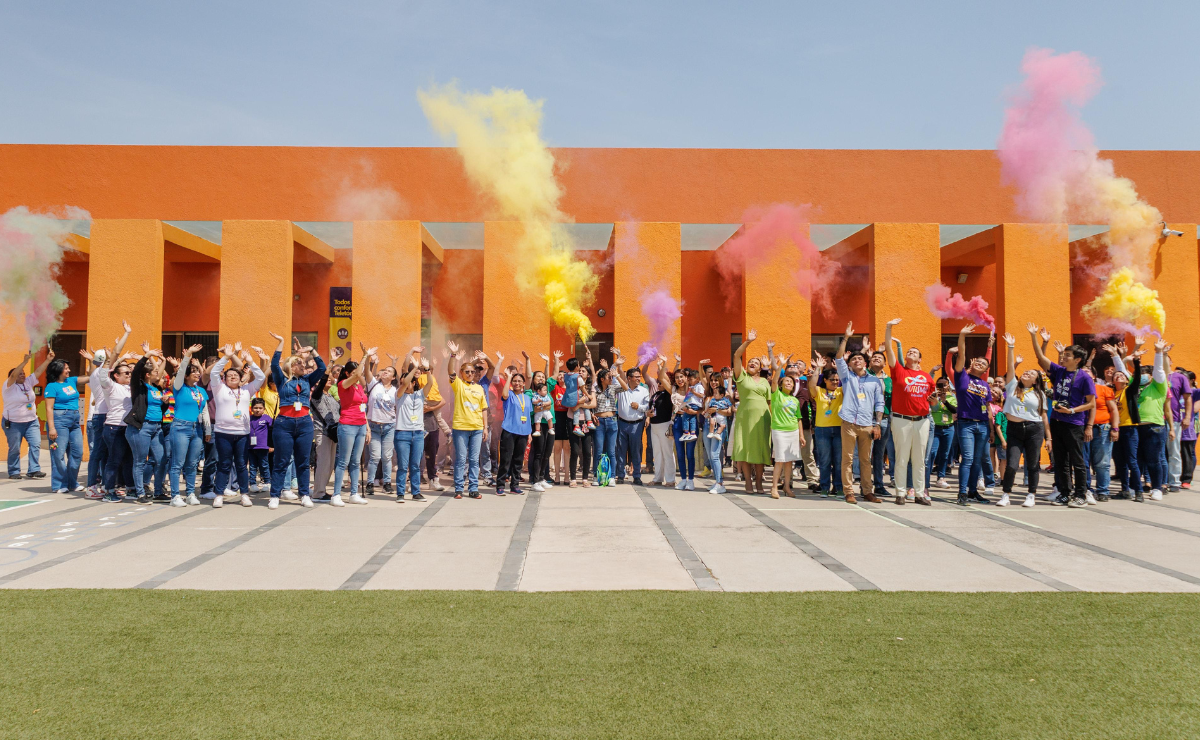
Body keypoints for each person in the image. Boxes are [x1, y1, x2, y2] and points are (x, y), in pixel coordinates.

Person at [1029, 324, 1096, 508]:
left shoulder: (1084, 377)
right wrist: (1034, 337)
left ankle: (1081, 494)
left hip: (1074, 422)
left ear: (1078, 359)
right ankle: (1065, 493)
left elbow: (1092, 403)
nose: (1064, 357)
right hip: (1057, 421)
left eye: (1068, 355)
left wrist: (1072, 410)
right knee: (1060, 460)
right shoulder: (1059, 372)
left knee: (1077, 460)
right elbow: (1040, 358)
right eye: (1064, 354)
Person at [883, 318, 934, 506]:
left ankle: (919, 493)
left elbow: (932, 399)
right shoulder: (899, 371)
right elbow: (888, 348)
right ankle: (901, 493)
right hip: (901, 420)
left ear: (920, 359)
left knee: (920, 459)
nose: (911, 352)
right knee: (902, 457)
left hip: (922, 420)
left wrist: (935, 401)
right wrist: (889, 328)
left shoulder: (927, 377)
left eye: (915, 352)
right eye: (909, 351)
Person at [209, 343, 266, 508]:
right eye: (229, 375)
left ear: (241, 378)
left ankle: (244, 494)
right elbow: (213, 373)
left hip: (242, 433)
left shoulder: (247, 390)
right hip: (223, 432)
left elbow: (261, 378)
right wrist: (226, 357)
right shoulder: (219, 388)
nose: (232, 376)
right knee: (224, 464)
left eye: (235, 374)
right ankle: (219, 494)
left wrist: (250, 361)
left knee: (241, 464)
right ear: (224, 378)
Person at [834, 322, 885, 504]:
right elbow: (839, 358)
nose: (857, 361)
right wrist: (846, 338)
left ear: (866, 362)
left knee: (865, 460)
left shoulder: (874, 381)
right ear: (850, 364)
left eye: (860, 359)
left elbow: (880, 403)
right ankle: (849, 492)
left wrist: (877, 424)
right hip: (848, 421)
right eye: (853, 360)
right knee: (847, 459)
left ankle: (867, 491)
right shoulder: (847, 377)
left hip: (867, 424)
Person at [998, 334, 1050, 508]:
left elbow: (1043, 417)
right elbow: (1009, 368)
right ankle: (1006, 494)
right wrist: (1011, 347)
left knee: (1033, 464)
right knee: (1012, 464)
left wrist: (1048, 438)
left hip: (1035, 429)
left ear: (1036, 380)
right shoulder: (1012, 386)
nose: (1027, 373)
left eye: (1032, 373)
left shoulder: (1039, 394)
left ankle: (1031, 494)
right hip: (1014, 429)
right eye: (1026, 372)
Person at [124, 348, 168, 504]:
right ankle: (140, 494)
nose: (159, 373)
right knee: (140, 461)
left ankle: (158, 492)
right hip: (141, 427)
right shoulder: (139, 387)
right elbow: (136, 372)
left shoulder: (156, 388)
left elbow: (159, 408)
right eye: (155, 371)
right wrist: (146, 356)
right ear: (148, 375)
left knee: (162, 459)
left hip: (156, 428)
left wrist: (165, 403)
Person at [168, 344, 210, 506]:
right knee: (177, 463)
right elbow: (179, 374)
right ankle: (175, 496)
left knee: (192, 464)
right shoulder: (179, 387)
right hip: (180, 427)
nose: (197, 374)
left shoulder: (200, 391)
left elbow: (204, 410)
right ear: (186, 376)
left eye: (197, 372)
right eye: (193, 372)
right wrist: (188, 357)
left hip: (197, 428)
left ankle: (191, 493)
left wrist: (207, 430)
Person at [332, 345, 374, 506]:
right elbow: (358, 373)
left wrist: (367, 427)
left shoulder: (358, 387)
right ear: (349, 373)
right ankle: (336, 495)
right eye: (356, 372)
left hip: (361, 425)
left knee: (356, 461)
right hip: (347, 425)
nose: (359, 375)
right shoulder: (343, 384)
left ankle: (354, 493)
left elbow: (362, 407)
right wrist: (364, 356)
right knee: (344, 460)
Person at [3, 347, 54, 481]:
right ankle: (14, 471)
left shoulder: (27, 383)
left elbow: (38, 371)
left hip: (31, 421)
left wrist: (48, 360)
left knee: (35, 444)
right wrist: (25, 361)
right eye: (20, 373)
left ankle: (34, 470)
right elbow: (14, 375)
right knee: (15, 448)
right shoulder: (8, 386)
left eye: (23, 373)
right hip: (13, 422)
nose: (23, 375)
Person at [731, 330, 771, 493]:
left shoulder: (764, 381)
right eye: (750, 362)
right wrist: (748, 341)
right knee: (746, 449)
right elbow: (736, 356)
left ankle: (759, 483)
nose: (752, 363)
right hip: (745, 418)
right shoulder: (742, 377)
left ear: (761, 368)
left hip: (762, 419)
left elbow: (769, 402)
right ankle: (748, 482)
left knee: (760, 450)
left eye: (756, 362)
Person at [43, 354, 89, 493]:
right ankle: (59, 485)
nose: (69, 371)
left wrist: (91, 361)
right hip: (59, 419)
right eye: (66, 368)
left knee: (77, 452)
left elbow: (90, 378)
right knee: (58, 453)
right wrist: (51, 428)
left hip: (74, 419)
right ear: (58, 370)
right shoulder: (52, 386)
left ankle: (72, 482)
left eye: (68, 368)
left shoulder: (72, 381)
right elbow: (49, 408)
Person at [447, 341, 487, 499]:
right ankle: (458, 489)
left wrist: (485, 428)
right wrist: (453, 355)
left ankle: (473, 488)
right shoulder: (458, 385)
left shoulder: (479, 388)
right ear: (462, 373)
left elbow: (484, 408)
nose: (470, 374)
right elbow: (450, 371)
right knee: (461, 459)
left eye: (472, 371)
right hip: (461, 427)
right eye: (467, 372)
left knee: (474, 460)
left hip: (477, 428)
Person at [98, 352, 136, 502]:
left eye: (130, 372)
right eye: (126, 373)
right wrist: (110, 359)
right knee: (114, 460)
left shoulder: (130, 388)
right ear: (116, 376)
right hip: (114, 428)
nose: (129, 375)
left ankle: (131, 489)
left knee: (128, 460)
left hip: (128, 428)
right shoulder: (111, 387)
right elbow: (102, 376)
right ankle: (108, 491)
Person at [767, 344, 803, 499]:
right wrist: (781, 364)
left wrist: (801, 435)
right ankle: (774, 487)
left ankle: (787, 487)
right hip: (779, 430)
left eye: (791, 382)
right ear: (781, 384)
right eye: (786, 381)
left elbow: (798, 418)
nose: (789, 383)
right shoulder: (777, 395)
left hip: (793, 431)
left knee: (790, 461)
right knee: (780, 460)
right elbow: (774, 382)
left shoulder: (794, 400)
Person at [365, 350, 402, 495]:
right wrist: (368, 357)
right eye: (384, 370)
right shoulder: (374, 385)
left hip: (389, 426)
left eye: (389, 371)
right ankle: (370, 483)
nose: (385, 372)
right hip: (373, 426)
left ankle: (387, 483)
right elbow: (367, 370)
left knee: (387, 457)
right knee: (375, 456)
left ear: (393, 377)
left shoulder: (396, 390)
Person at [611, 351, 650, 486]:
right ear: (628, 378)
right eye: (636, 377)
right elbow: (612, 373)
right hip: (622, 423)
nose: (639, 379)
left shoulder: (644, 390)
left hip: (637, 424)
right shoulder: (621, 388)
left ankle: (637, 476)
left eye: (639, 377)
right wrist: (616, 364)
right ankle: (621, 475)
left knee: (636, 451)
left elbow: (647, 407)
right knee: (620, 450)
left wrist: (639, 406)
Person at [393, 353, 426, 501]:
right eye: (402, 382)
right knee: (402, 465)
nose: (404, 384)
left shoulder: (419, 394)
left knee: (415, 465)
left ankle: (416, 492)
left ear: (414, 383)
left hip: (418, 434)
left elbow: (430, 383)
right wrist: (415, 368)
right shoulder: (399, 394)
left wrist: (427, 370)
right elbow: (404, 381)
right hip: (402, 434)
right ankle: (400, 493)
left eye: (407, 382)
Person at [808, 357, 843, 497]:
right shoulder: (819, 391)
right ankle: (824, 487)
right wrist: (818, 368)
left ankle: (838, 487)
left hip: (839, 429)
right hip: (822, 429)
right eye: (832, 380)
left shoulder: (841, 391)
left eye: (836, 380)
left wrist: (840, 367)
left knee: (839, 461)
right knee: (824, 460)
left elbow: (847, 381)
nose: (835, 382)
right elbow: (811, 385)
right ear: (825, 381)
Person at [497, 356, 531, 495]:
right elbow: (504, 394)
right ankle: (500, 486)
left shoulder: (527, 397)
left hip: (523, 431)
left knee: (518, 460)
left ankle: (515, 485)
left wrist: (529, 433)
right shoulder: (509, 394)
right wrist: (509, 378)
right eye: (514, 381)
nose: (517, 383)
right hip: (509, 430)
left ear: (523, 384)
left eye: (519, 381)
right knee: (506, 459)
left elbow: (528, 415)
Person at [1087, 364, 1119, 502]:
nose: (1084, 374)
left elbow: (1113, 410)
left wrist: (1115, 428)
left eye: (1087, 372)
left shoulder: (1104, 389)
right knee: (1083, 462)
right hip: (1082, 429)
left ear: (1094, 376)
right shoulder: (1075, 390)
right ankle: (1086, 489)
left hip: (1102, 429)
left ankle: (1103, 490)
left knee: (1102, 462)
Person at [670, 363, 699, 491]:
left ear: (686, 378)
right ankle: (682, 479)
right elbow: (662, 377)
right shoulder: (673, 391)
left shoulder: (691, 390)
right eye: (677, 377)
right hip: (677, 422)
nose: (679, 380)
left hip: (690, 421)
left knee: (690, 453)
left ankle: (691, 480)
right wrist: (665, 364)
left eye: (681, 377)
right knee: (680, 453)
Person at [702, 372, 733, 493]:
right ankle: (717, 482)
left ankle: (720, 483)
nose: (713, 382)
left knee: (715, 456)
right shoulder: (709, 395)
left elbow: (730, 412)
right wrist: (708, 412)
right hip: (707, 425)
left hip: (719, 426)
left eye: (716, 380)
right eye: (712, 380)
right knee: (710, 456)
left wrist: (717, 409)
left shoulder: (726, 396)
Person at [648, 357, 676, 487]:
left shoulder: (669, 394)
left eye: (661, 382)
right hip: (654, 426)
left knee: (667, 453)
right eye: (658, 382)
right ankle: (658, 478)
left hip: (665, 424)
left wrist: (663, 365)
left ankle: (670, 479)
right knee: (657, 453)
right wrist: (647, 414)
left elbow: (664, 378)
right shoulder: (655, 395)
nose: (659, 384)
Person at [1167, 361, 1193, 492]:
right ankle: (1160, 481)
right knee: (1159, 453)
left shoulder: (1179, 377)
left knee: (1174, 451)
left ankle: (1174, 481)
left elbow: (1188, 398)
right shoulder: (1154, 376)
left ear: (1170, 362)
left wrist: (1187, 417)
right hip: (1155, 420)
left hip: (1175, 419)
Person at [592, 366, 620, 486]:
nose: (611, 378)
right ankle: (596, 476)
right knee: (598, 450)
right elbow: (591, 403)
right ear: (602, 379)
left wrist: (617, 375)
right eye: (609, 377)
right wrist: (592, 414)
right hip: (599, 421)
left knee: (611, 451)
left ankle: (612, 476)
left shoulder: (613, 388)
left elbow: (625, 387)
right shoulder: (595, 389)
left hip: (612, 420)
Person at [248, 398, 272, 491]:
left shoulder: (267, 418)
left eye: (260, 408)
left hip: (263, 446)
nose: (257, 410)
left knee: (264, 465)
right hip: (250, 447)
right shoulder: (249, 419)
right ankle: (253, 483)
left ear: (264, 409)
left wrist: (271, 445)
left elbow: (272, 431)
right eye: (255, 408)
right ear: (251, 408)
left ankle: (267, 482)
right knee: (252, 466)